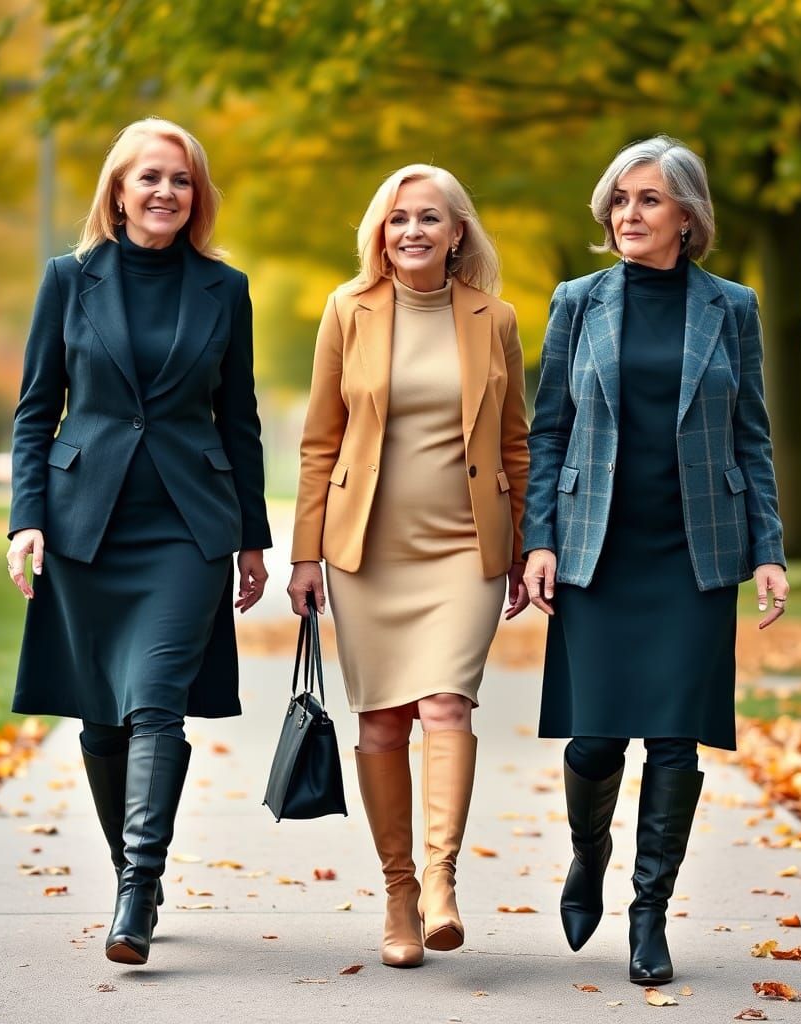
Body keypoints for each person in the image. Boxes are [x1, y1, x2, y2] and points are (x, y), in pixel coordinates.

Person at [521, 136, 788, 985]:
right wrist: (540, 538)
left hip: (694, 549)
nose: (628, 214)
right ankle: (587, 851)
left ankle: (649, 914)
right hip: (598, 545)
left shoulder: (732, 307)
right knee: (595, 742)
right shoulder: (578, 301)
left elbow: (751, 432)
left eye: (648, 200)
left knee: (675, 742)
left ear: (688, 216)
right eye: (620, 200)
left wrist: (770, 550)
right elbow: (550, 427)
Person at [6, 117, 271, 966]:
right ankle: (135, 870)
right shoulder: (67, 279)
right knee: (100, 721)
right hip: (88, 526)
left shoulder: (223, 289)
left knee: (157, 700)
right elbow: (34, 412)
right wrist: (26, 518)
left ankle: (135, 891)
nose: (165, 192)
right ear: (118, 190)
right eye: (150, 177)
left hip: (188, 528)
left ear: (197, 197)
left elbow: (240, 420)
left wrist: (253, 541)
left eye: (182, 180)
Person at [287, 164, 529, 968]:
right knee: (382, 720)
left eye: (430, 218)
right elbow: (321, 441)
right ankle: (398, 893)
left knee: (446, 705)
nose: (412, 231)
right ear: (380, 233)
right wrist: (305, 555)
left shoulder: (496, 319)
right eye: (398, 220)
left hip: (466, 545)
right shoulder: (346, 312)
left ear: (459, 232)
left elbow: (515, 443)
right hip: (368, 551)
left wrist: (524, 547)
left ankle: (441, 881)